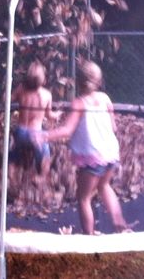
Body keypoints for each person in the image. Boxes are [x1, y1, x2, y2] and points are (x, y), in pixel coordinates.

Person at [39, 60, 128, 235]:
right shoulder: (105, 98)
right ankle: (120, 224)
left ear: (77, 82)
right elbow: (114, 127)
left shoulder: (79, 103)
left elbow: (67, 130)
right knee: (105, 187)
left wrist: (45, 135)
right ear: (99, 81)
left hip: (92, 157)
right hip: (110, 153)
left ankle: (88, 235)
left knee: (84, 198)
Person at [9, 61, 61, 179]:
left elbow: (8, 99)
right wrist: (56, 114)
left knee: (14, 151)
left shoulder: (21, 89)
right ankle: (42, 176)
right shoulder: (46, 95)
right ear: (43, 80)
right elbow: (49, 115)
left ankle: (10, 173)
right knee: (44, 154)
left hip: (21, 132)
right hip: (36, 135)